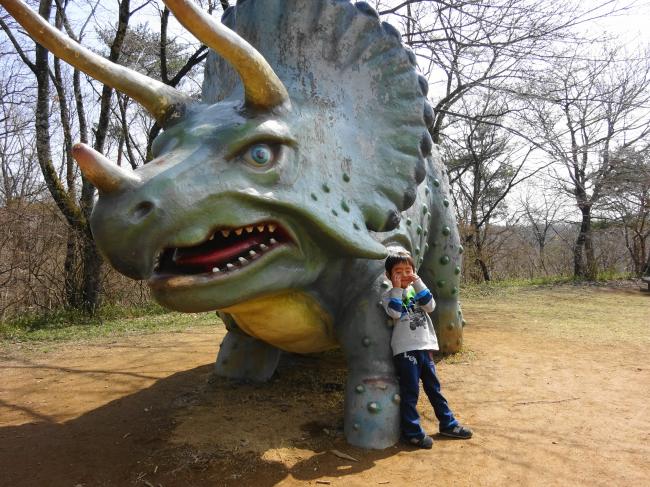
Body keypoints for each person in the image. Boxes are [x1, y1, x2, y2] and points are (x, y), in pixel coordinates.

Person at [382, 250, 472, 449]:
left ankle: (448, 424)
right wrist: (397, 288)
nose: (405, 274)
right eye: (398, 271)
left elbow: (430, 306)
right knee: (410, 392)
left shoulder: (417, 291)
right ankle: (412, 432)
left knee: (434, 389)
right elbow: (395, 313)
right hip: (405, 351)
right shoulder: (388, 296)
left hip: (425, 347)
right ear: (389, 276)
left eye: (408, 270)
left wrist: (418, 282)